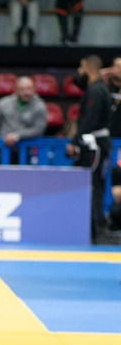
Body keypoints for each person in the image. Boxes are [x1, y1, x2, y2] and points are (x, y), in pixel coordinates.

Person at [68, 54, 113, 243]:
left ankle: (97, 231)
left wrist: (75, 141)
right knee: (93, 185)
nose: (79, 72)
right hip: (96, 145)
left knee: (92, 186)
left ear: (89, 68)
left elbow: (89, 121)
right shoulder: (96, 89)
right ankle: (95, 229)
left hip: (95, 147)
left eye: (81, 67)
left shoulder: (96, 91)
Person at [0, 76, 48, 164]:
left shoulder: (40, 107)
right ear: (16, 90)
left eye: (29, 89)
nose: (26, 92)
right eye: (22, 89)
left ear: (34, 89)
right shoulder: (4, 103)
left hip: (25, 149)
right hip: (2, 147)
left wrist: (17, 136)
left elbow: (38, 129)